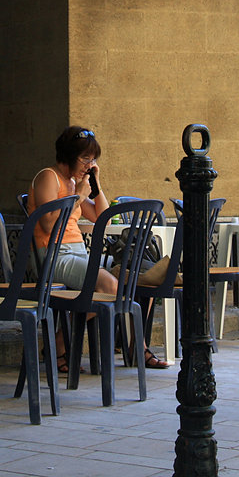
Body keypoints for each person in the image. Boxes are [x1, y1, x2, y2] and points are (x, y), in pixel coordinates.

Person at [27, 126, 169, 370]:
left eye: (93, 160)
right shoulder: (48, 177)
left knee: (136, 280)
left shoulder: (75, 183)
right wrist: (79, 197)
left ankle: (139, 347)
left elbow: (103, 216)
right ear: (70, 154)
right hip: (53, 256)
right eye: (85, 158)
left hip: (78, 254)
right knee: (109, 286)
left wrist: (95, 183)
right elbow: (49, 224)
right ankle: (58, 343)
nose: (88, 164)